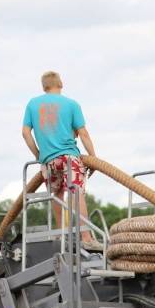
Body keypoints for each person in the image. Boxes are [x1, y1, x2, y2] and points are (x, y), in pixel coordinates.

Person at [21, 70, 103, 251]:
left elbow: (25, 133)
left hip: (49, 162)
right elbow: (83, 134)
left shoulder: (32, 104)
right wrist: (94, 158)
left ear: (44, 87)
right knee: (76, 192)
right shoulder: (72, 104)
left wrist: (38, 155)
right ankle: (86, 238)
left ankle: (60, 235)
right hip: (69, 158)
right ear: (61, 84)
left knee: (57, 195)